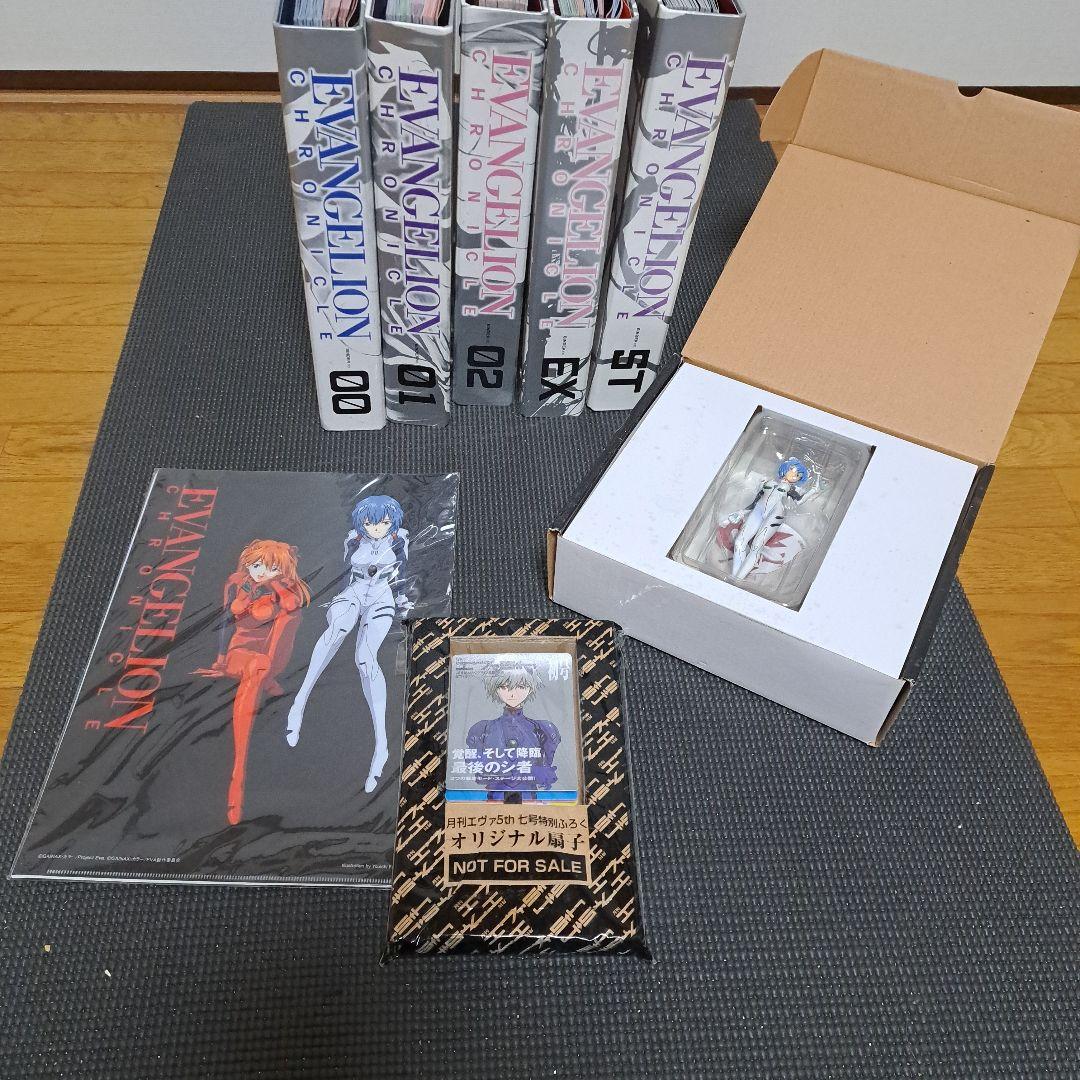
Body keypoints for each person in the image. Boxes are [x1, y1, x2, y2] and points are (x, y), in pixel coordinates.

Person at [285, 494, 409, 793]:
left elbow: (403, 571)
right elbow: (343, 572)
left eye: (383, 522)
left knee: (366, 658)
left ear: (392, 521)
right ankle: (299, 702)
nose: (376, 528)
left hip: (382, 596)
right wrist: (337, 600)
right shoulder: (352, 539)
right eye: (370, 523)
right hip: (353, 592)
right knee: (337, 628)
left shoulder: (400, 539)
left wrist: (404, 598)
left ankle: (382, 746)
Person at [195, 540, 310, 826]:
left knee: (264, 660)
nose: (261, 572)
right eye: (256, 565)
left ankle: (267, 680)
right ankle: (238, 773)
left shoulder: (287, 591)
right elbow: (224, 621)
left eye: (271, 567)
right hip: (241, 654)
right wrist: (220, 660)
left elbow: (291, 611)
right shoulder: (237, 583)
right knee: (257, 664)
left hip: (272, 658)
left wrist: (278, 583)